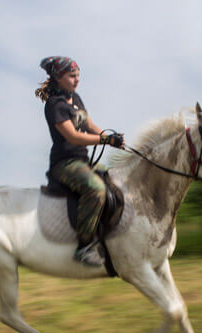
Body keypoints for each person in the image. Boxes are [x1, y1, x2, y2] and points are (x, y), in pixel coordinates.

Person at [36, 56, 124, 267]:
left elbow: (89, 125)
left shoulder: (76, 98)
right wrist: (105, 139)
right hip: (65, 164)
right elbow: (74, 137)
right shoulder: (54, 105)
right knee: (96, 189)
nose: (77, 80)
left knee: (118, 179)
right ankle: (84, 247)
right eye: (72, 76)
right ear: (58, 77)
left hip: (84, 161)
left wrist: (111, 138)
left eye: (78, 76)